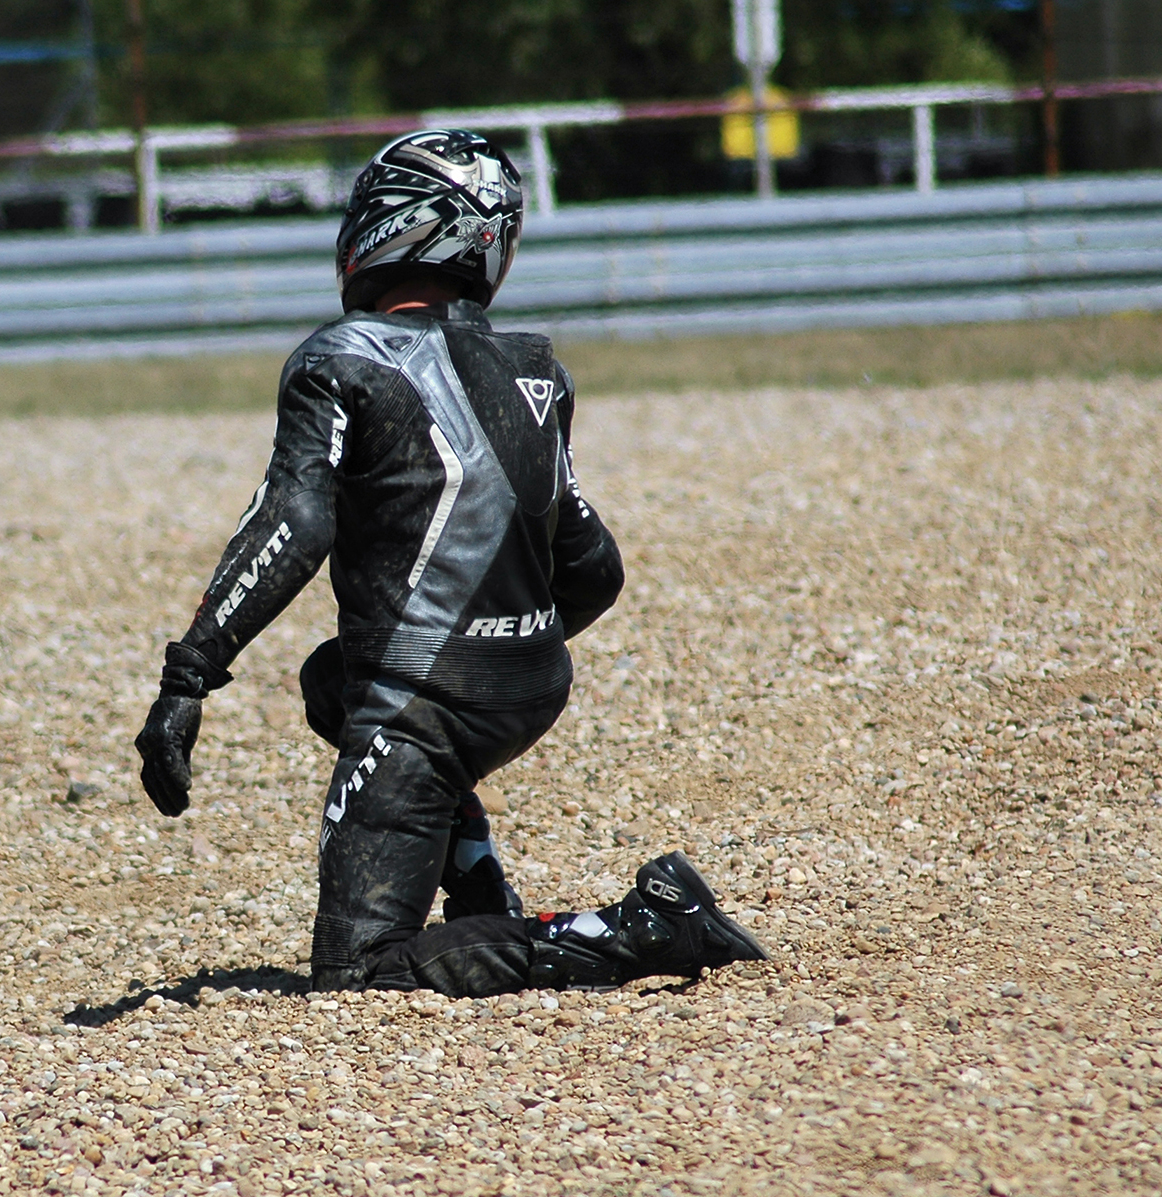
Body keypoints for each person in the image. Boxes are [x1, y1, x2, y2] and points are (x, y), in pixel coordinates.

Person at [133, 130, 767, 998]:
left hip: (426, 701)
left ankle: (638, 926)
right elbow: (595, 568)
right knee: (333, 679)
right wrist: (500, 637)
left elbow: (294, 523)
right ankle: (477, 882)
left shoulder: (340, 359)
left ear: (397, 224)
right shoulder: (535, 371)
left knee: (362, 968)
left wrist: (189, 677)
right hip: (533, 684)